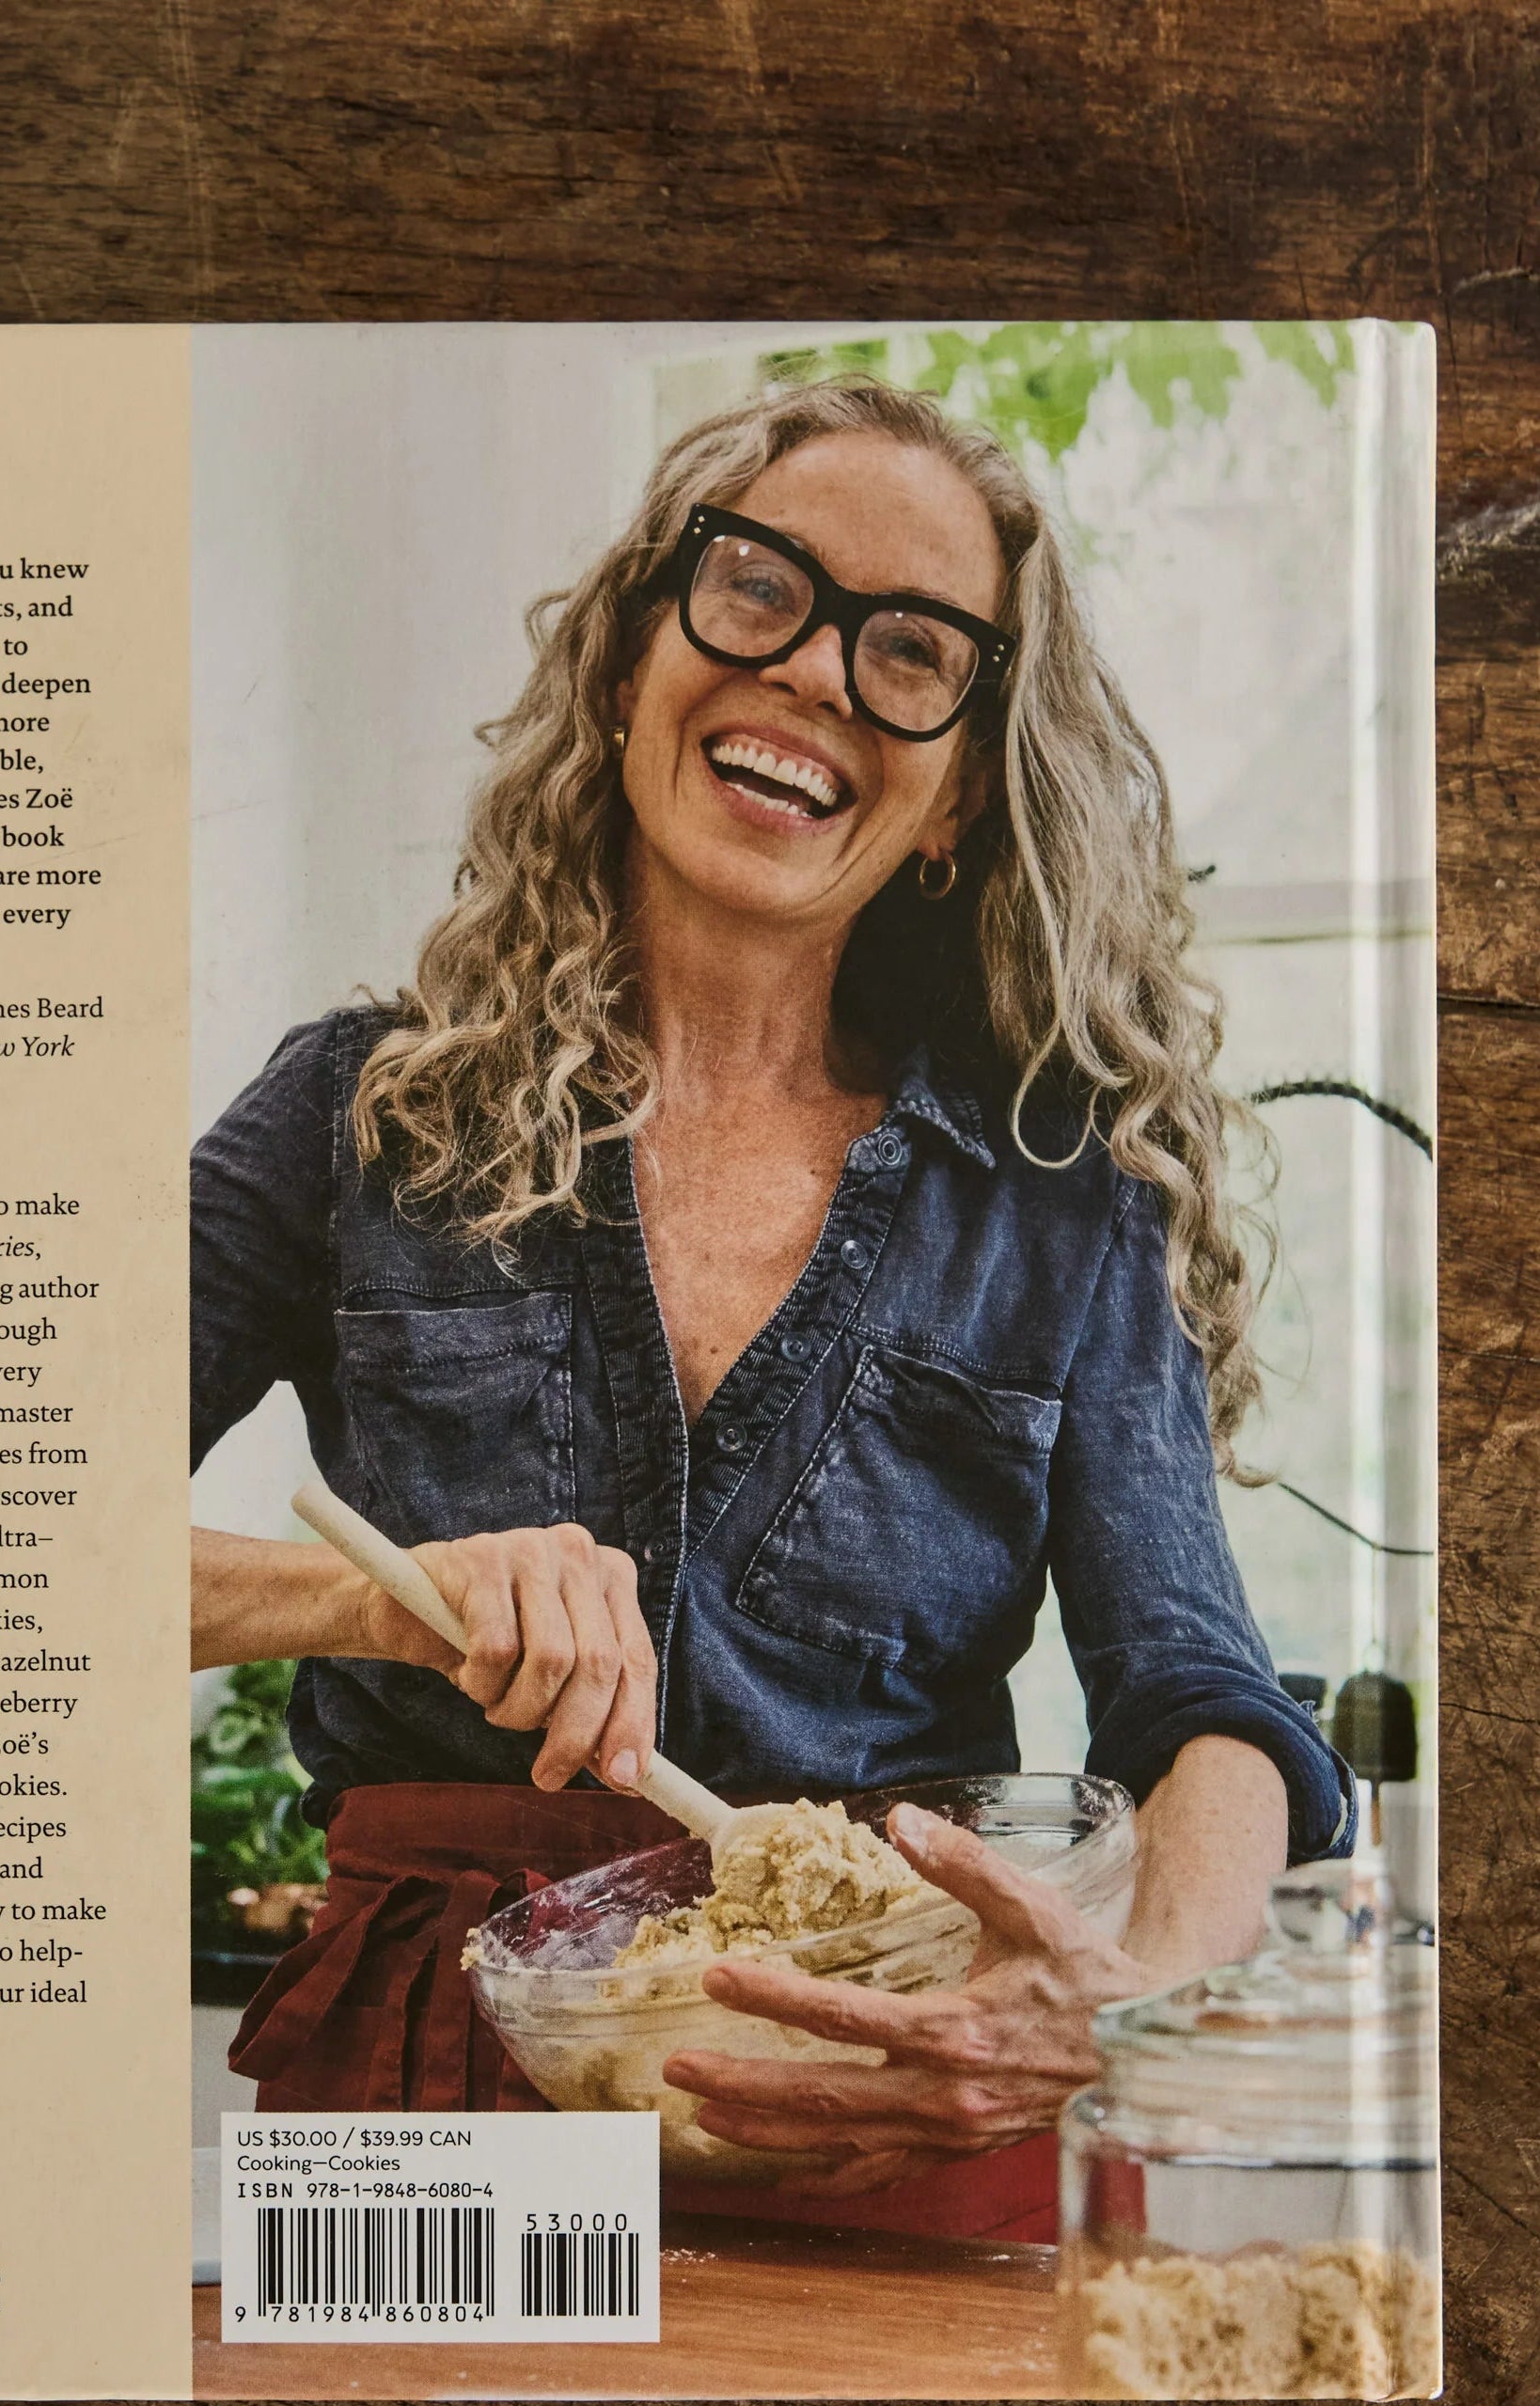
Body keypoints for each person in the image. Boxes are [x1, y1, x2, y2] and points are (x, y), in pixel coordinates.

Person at [190, 374, 1351, 2219]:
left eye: (910, 652)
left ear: (958, 790)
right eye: (758, 590)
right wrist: (373, 1604)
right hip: (431, 2091)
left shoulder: (1063, 1209)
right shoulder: (349, 1116)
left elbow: (1202, 1702)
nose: (813, 672)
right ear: (635, 653)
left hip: (893, 2081)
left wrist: (1128, 1998)